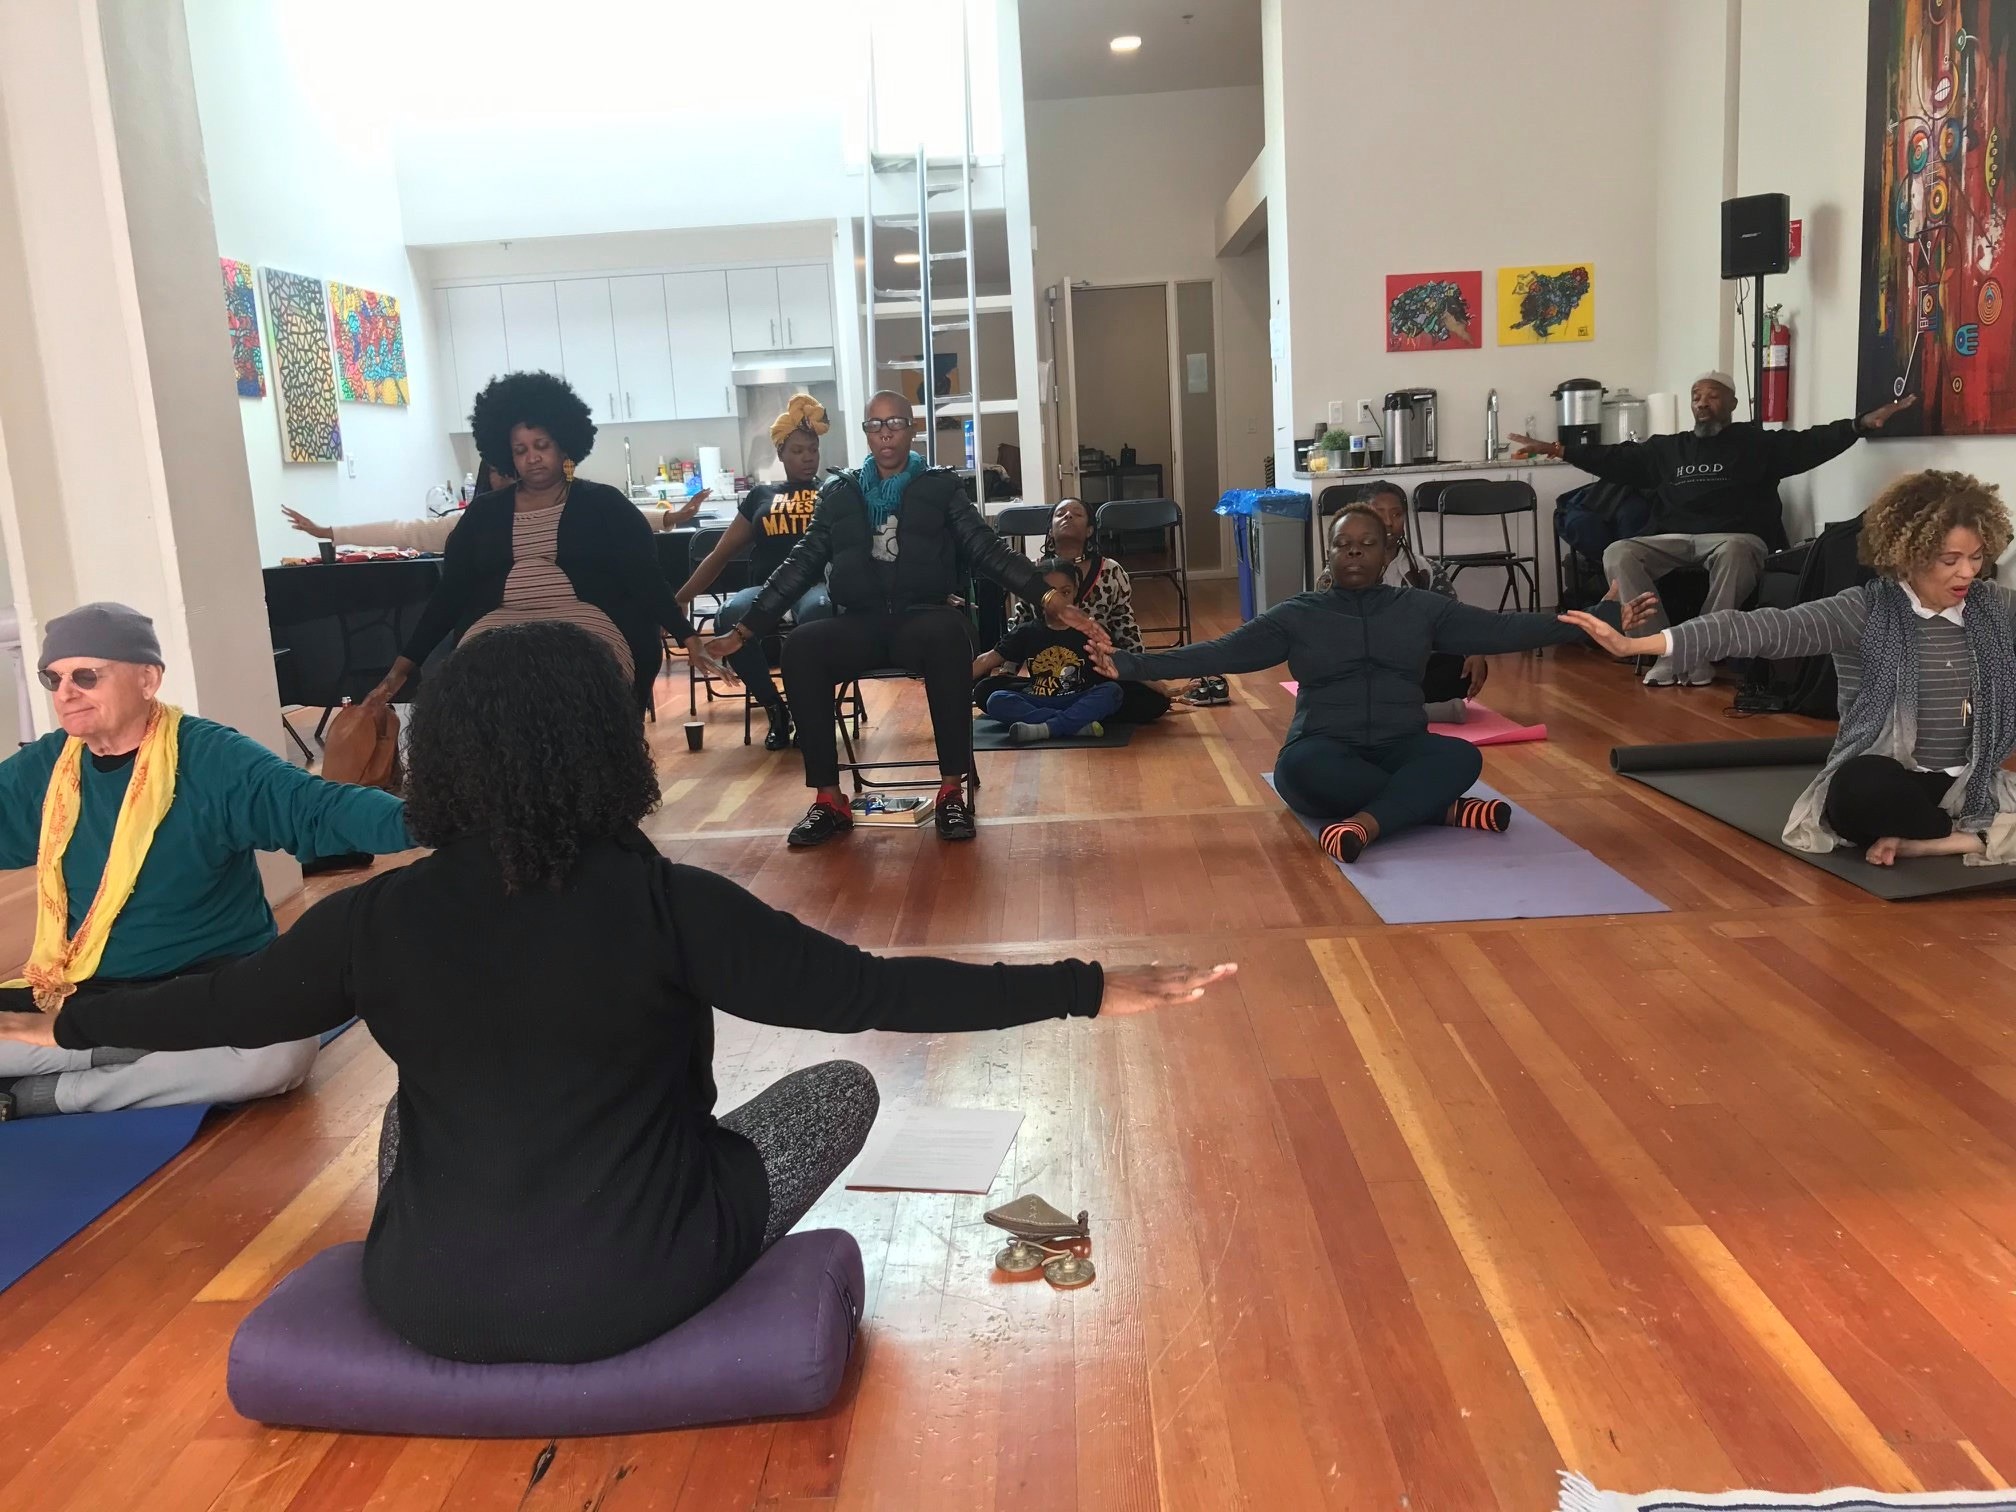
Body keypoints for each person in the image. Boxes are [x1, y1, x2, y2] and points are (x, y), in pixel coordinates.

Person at [0, 623, 1238, 1363]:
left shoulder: (367, 920)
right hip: (646, 1277)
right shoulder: (666, 906)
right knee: (839, 1090)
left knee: (404, 1116)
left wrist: (65, 1021)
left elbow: (223, 1008)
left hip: (423, 1296)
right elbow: (872, 992)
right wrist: (1086, 988)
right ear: (605, 748)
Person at [0, 603, 412, 1119]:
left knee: (277, 1055)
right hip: (83, 993)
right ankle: (130, 1051)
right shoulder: (46, 767)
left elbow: (317, 810)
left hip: (205, 987)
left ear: (148, 678)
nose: (65, 693)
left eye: (87, 675)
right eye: (52, 678)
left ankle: (50, 1094)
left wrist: (434, 819)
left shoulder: (212, 758)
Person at [1093, 507, 1641, 862]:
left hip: (1402, 744)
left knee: (1463, 762)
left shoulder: (1420, 608)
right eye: (1342, 544)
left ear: (1387, 554)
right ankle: (1442, 811)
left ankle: (1364, 826)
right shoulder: (1298, 614)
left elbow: (1502, 630)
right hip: (1327, 746)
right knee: (1298, 773)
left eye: (1366, 543)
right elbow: (1220, 652)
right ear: (1328, 556)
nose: (1353, 551)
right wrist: (1133, 665)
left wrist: (1595, 620)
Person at [707, 391, 1109, 848]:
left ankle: (951, 790)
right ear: (865, 433)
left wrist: (1048, 597)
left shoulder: (940, 487)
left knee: (947, 636)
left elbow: (985, 549)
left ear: (912, 429)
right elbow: (800, 565)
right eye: (875, 425)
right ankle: (828, 798)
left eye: (895, 423)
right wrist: (745, 629)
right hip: (861, 621)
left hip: (925, 617)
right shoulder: (840, 492)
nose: (885, 434)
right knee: (802, 646)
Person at [1564, 469, 2016, 868]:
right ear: (1910, 554)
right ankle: (1969, 835)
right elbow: (1759, 629)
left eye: (1976, 558)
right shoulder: (1865, 610)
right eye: (1950, 560)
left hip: (1977, 783)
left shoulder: (1994, 606)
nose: (1967, 574)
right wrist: (1638, 643)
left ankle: (1939, 841)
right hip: (1897, 784)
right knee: (1857, 790)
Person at [1512, 373, 1919, 685]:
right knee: (1619, 551)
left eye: (1711, 395)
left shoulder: (1757, 444)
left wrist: (1860, 424)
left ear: (1732, 402)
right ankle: (1664, 650)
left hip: (1734, 537)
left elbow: (1812, 441)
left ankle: (1698, 647)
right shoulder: (1668, 449)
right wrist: (1558, 449)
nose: (1702, 402)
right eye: (1696, 396)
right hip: (1674, 538)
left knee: (1737, 551)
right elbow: (1613, 458)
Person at [364, 371, 729, 715]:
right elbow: (450, 595)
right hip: (495, 633)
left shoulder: (604, 503)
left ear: (563, 445)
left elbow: (645, 578)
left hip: (587, 629)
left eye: (541, 445)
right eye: (520, 450)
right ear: (508, 455)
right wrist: (401, 667)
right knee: (473, 689)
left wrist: (688, 638)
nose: (532, 457)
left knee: (577, 680)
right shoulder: (483, 514)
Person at [677, 395, 835, 750]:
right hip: (765, 588)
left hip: (817, 586)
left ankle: (809, 709)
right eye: (798, 450)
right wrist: (680, 599)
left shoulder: (832, 491)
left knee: (819, 615)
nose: (808, 457)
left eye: (813, 449)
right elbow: (719, 555)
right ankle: (776, 708)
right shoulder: (760, 496)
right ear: (780, 453)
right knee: (731, 613)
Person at [994, 497, 1170, 725]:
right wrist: (1006, 671)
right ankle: (1077, 719)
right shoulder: (1032, 572)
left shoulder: (1110, 570)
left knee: (1153, 700)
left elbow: (1125, 627)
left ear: (1089, 530)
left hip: (1097, 674)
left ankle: (1048, 721)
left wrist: (1144, 674)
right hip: (1045, 684)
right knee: (988, 691)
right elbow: (1020, 625)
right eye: (1060, 514)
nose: (1067, 516)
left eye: (1076, 514)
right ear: (1050, 529)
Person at [283, 465, 707, 555]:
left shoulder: (567, 508)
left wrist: (671, 518)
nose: (511, 482)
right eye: (501, 475)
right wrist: (330, 532)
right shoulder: (470, 525)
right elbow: (404, 530)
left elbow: (615, 517)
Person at [1360, 480, 1489, 723]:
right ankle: (1426, 711)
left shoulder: (1425, 569)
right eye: (1379, 514)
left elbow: (1454, 618)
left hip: (1413, 666)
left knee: (1460, 668)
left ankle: (1389, 712)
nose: (1389, 523)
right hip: (1367, 667)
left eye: (1397, 514)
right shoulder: (1345, 568)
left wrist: (1475, 649)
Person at [972, 618, 1121, 743]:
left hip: (1079, 697)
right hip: (1038, 698)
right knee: (995, 699)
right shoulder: (1026, 630)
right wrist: (951, 684)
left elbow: (1123, 664)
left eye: (1065, 592)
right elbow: (986, 660)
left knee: (1113, 691)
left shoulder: (1092, 630)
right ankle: (1075, 724)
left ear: (1076, 593)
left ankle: (1045, 728)